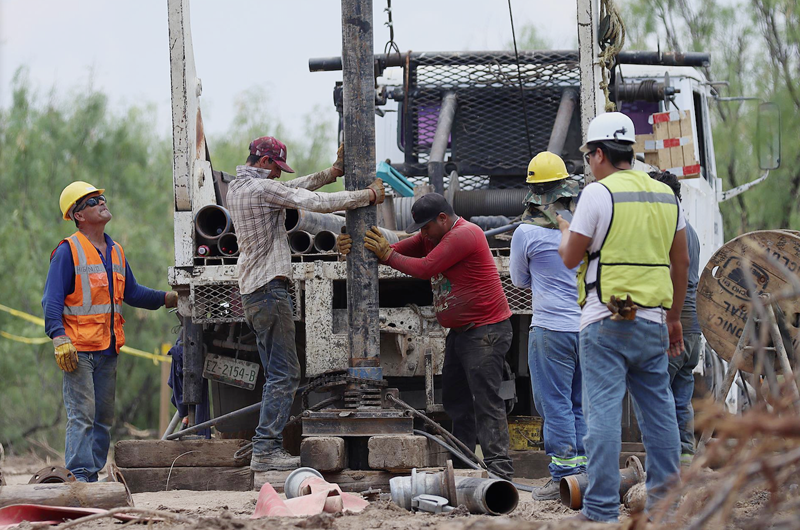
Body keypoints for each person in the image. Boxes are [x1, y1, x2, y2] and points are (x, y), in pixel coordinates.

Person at [557, 112, 689, 522]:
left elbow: (570, 258)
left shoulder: (598, 195)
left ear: (598, 154)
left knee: (602, 415)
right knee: (660, 413)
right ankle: (666, 505)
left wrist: (565, 229)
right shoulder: (667, 197)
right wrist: (673, 317)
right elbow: (680, 261)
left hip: (606, 319)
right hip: (652, 319)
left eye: (588, 156)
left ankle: (598, 510)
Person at [226, 136, 385, 472]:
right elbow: (314, 202)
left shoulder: (240, 188)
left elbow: (297, 186)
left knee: (276, 374)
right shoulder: (261, 190)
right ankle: (266, 449)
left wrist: (334, 171)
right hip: (269, 291)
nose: (279, 176)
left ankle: (265, 447)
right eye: (277, 170)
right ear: (267, 162)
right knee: (285, 374)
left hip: (254, 292)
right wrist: (366, 196)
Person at [341, 192, 514, 480]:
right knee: (457, 401)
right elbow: (395, 250)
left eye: (425, 227)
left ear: (443, 219)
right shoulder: (432, 236)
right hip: (462, 332)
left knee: (486, 400)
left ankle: (500, 472)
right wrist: (356, 247)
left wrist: (387, 254)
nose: (422, 234)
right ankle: (464, 466)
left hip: (485, 331)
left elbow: (424, 268)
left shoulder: (465, 235)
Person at [43, 181, 177, 482]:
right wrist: (58, 336)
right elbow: (51, 300)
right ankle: (79, 478)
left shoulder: (115, 251)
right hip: (78, 351)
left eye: (101, 197)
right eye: (92, 201)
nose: (102, 202)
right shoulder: (68, 252)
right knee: (82, 416)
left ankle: (93, 474)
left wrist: (167, 298)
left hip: (108, 349)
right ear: (78, 215)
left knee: (103, 419)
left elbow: (132, 292)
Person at [509, 151, 586, 500]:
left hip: (551, 329)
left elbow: (519, 280)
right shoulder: (584, 228)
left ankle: (562, 479)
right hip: (587, 328)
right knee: (580, 404)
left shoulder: (525, 233)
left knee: (554, 405)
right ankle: (584, 475)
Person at [649, 170, 702, 466]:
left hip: (674, 324)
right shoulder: (690, 230)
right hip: (695, 330)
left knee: (658, 395)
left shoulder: (668, 228)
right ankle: (685, 457)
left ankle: (665, 459)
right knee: (681, 396)